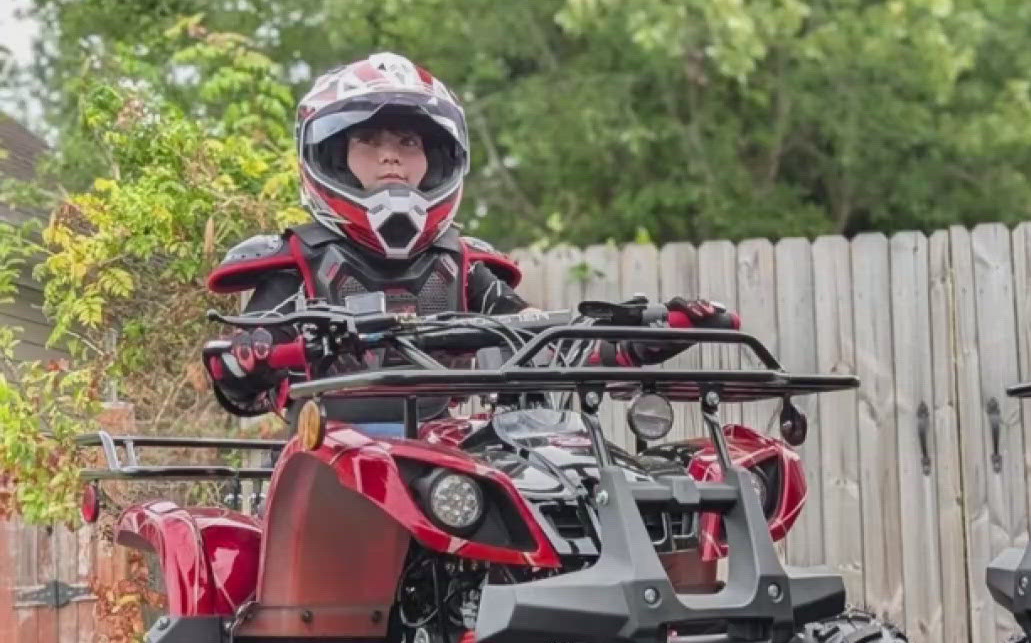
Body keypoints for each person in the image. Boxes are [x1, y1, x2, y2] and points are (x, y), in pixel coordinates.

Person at [201, 52, 733, 430]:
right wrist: (251, 359)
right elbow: (238, 384)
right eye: (369, 140)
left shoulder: (463, 264)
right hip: (330, 461)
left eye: (408, 142)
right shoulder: (295, 261)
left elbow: (542, 344)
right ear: (332, 156)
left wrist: (650, 334)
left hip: (446, 457)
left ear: (435, 158)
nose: (392, 157)